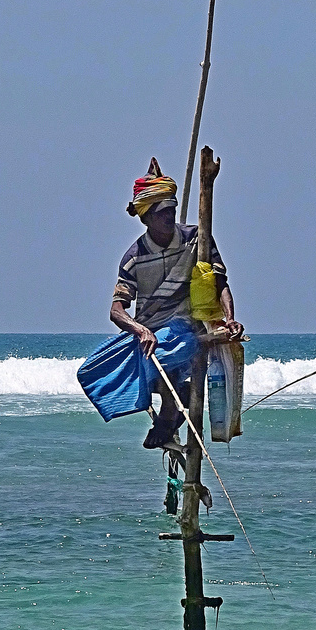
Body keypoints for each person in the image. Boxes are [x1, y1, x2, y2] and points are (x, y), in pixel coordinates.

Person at [110, 158, 244, 447]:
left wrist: (230, 318)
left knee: (172, 345)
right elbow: (117, 310)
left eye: (171, 210)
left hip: (184, 326)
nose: (168, 217)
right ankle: (171, 404)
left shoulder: (196, 239)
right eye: (160, 213)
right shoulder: (133, 258)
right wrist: (140, 330)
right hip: (147, 330)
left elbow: (219, 282)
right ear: (145, 218)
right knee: (98, 370)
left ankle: (168, 416)